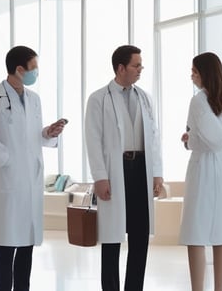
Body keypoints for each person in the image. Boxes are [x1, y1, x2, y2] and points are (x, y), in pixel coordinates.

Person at [0, 45, 66, 291]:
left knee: (26, 244)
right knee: (6, 245)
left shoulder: (34, 99)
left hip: (31, 181)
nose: (36, 73)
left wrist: (48, 133)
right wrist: (9, 160)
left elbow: (31, 136)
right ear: (18, 69)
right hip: (9, 180)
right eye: (33, 68)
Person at [85, 44, 163, 291]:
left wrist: (157, 173)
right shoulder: (99, 98)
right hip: (115, 171)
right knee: (112, 237)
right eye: (136, 65)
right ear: (121, 68)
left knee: (140, 237)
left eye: (141, 65)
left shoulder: (145, 98)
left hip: (141, 169)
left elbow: (154, 138)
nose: (141, 69)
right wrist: (99, 176)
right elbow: (93, 139)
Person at [178, 52, 222, 291]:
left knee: (195, 233)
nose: (192, 76)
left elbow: (212, 138)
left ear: (205, 73)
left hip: (203, 167)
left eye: (194, 72)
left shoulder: (198, 100)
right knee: (221, 233)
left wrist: (191, 142)